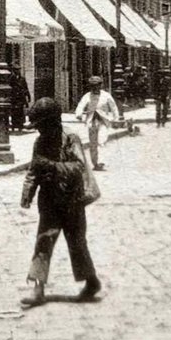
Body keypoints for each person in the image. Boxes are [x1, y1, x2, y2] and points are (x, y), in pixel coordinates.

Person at [20, 98, 100, 307]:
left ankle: (91, 282)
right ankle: (38, 290)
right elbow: (33, 169)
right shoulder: (40, 143)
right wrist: (27, 194)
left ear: (52, 123)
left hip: (72, 200)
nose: (39, 131)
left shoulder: (70, 139)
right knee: (43, 242)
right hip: (49, 200)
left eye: (41, 126)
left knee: (77, 244)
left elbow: (79, 167)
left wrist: (53, 167)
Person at [74, 75, 121, 170]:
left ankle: (101, 162)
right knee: (93, 143)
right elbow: (80, 105)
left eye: (97, 85)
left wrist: (116, 118)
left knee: (101, 141)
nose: (95, 88)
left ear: (100, 86)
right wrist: (78, 114)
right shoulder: (87, 96)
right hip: (91, 122)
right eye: (92, 86)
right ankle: (95, 163)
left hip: (103, 121)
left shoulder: (106, 95)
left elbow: (113, 107)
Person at [8, 62, 31, 130]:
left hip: (21, 97)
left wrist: (28, 96)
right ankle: (14, 125)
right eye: (16, 69)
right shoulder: (11, 78)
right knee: (14, 111)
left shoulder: (22, 78)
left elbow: (25, 87)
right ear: (13, 70)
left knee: (20, 111)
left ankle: (20, 125)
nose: (17, 71)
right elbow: (9, 87)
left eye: (18, 69)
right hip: (14, 97)